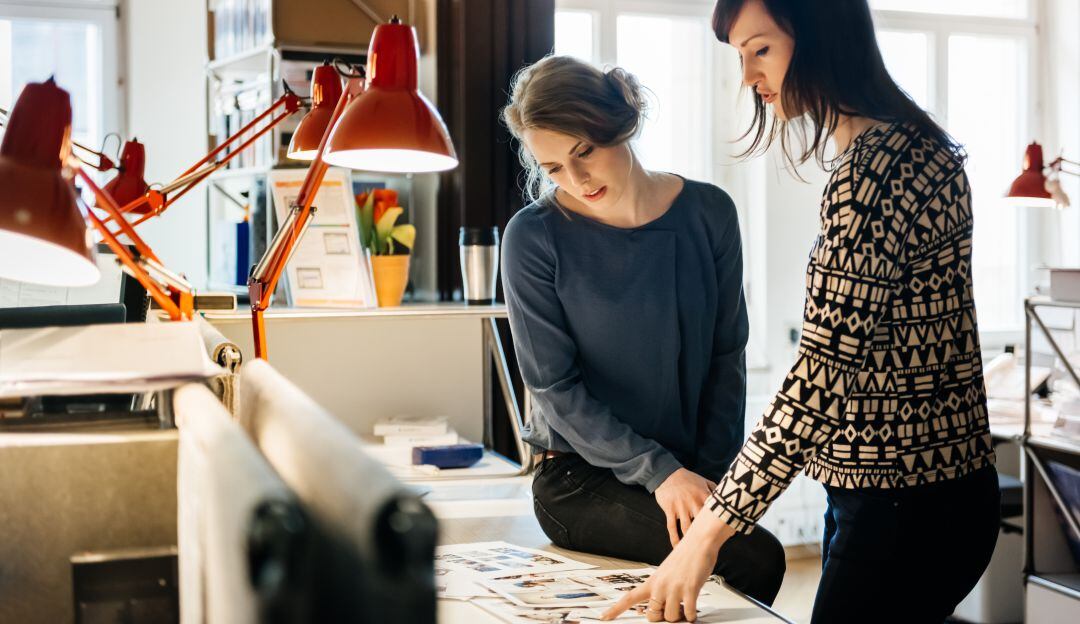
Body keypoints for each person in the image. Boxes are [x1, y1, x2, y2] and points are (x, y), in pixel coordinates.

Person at [604, 1, 1000, 622]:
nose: (748, 76)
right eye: (740, 55)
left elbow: (819, 375)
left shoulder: (876, 173)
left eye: (761, 49)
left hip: (906, 502)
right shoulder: (907, 147)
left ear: (821, 36)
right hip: (917, 492)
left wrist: (709, 534)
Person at [499, 55, 786, 605]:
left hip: (688, 473)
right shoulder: (532, 238)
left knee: (734, 562)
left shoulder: (710, 213)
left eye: (584, 150)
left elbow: (727, 356)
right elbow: (555, 389)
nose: (577, 179)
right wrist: (661, 473)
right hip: (582, 479)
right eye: (554, 167)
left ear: (622, 123)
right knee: (756, 561)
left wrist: (707, 480)